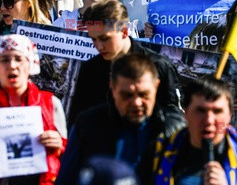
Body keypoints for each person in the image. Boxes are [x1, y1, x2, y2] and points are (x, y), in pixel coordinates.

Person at [56, 53, 185, 184]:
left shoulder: (176, 131)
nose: (136, 103)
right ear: (112, 87)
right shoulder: (88, 124)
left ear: (156, 86)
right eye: (127, 95)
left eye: (143, 95)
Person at [0, 34, 67, 184]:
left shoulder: (52, 104)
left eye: (19, 59)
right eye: (5, 59)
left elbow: (69, 157)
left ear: (31, 64)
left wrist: (59, 145)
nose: (12, 65)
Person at [67, 0, 181, 126]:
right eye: (94, 39)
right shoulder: (90, 69)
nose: (99, 46)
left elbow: (174, 117)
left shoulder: (158, 66)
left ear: (124, 31)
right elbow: (77, 120)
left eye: (104, 39)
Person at [144, 75, 237, 185]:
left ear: (230, 115)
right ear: (185, 112)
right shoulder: (159, 152)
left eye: (217, 111)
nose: (209, 120)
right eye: (200, 110)